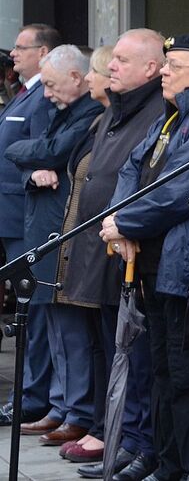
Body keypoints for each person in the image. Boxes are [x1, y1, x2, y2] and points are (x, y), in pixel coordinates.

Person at [100, 33, 189, 481]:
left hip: (186, 274)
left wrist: (128, 224)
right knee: (159, 373)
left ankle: (187, 469)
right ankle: (164, 460)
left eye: (173, 65)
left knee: (186, 378)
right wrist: (118, 220)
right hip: (155, 271)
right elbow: (131, 168)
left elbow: (185, 190)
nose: (163, 71)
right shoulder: (174, 115)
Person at [53, 34, 166, 480]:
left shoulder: (154, 111)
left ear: (151, 69)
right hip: (104, 249)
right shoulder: (117, 109)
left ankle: (139, 445)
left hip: (133, 255)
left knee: (136, 362)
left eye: (121, 59)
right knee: (117, 356)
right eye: (112, 59)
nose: (111, 66)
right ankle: (123, 441)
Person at [4, 44, 104, 446]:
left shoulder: (90, 115)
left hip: (64, 235)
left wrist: (32, 157)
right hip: (46, 231)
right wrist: (33, 168)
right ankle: (62, 406)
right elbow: (24, 149)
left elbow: (48, 151)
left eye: (50, 84)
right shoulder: (64, 110)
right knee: (55, 328)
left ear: (77, 78)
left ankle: (74, 409)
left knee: (71, 333)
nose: (44, 94)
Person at [53, 45, 112, 464]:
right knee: (92, 343)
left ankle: (106, 428)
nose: (89, 79)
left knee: (109, 346)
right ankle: (92, 420)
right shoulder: (101, 118)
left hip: (108, 250)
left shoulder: (131, 119)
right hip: (83, 246)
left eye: (94, 71)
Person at [0, 24, 59, 427]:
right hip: (10, 215)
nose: (14, 54)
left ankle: (31, 396)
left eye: (22, 47)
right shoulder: (25, 92)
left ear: (44, 52)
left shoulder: (42, 97)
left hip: (25, 215)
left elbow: (42, 154)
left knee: (32, 308)